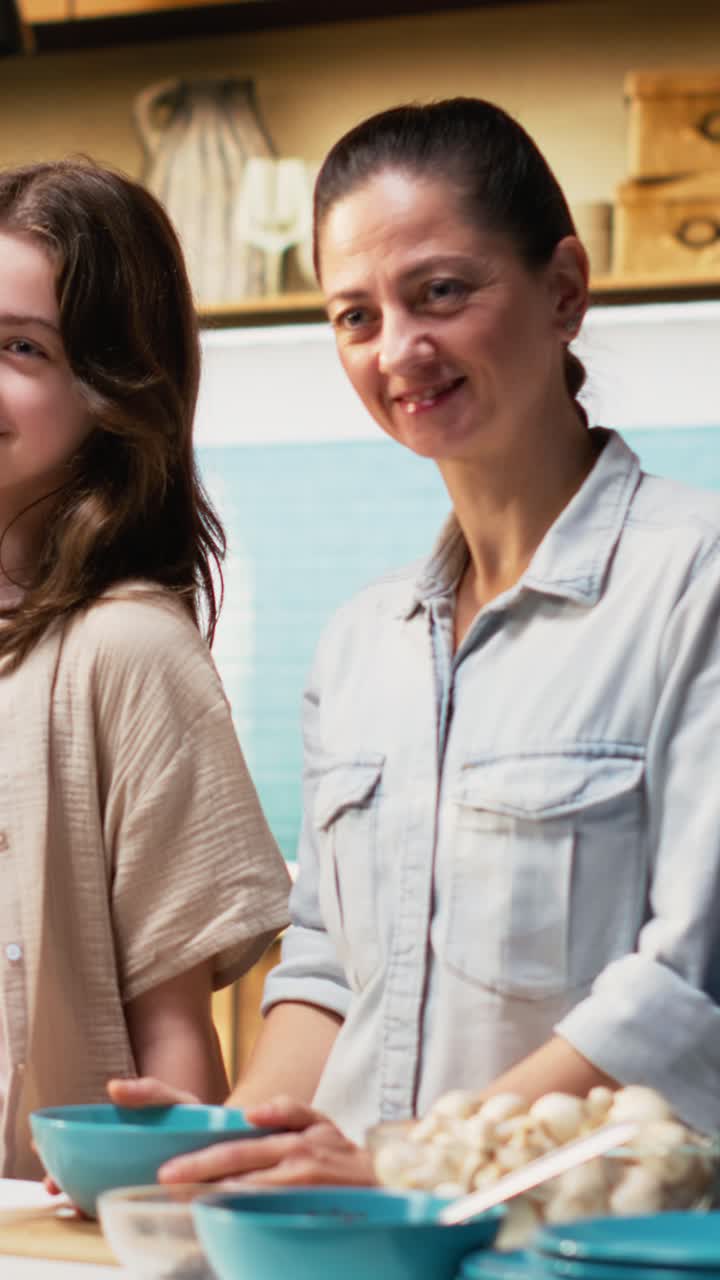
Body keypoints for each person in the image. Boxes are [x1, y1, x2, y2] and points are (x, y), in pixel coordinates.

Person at [116, 97, 720, 1186]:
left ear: (565, 290)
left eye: (441, 291)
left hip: (580, 1244)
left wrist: (408, 1165)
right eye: (356, 315)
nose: (401, 348)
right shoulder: (360, 647)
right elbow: (328, 970)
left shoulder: (694, 581)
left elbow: (690, 982)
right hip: (356, 1241)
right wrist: (234, 1143)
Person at [0, 159, 291, 1178]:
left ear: (114, 389)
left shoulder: (127, 648)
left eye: (21, 348)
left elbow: (172, 1032)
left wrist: (165, 1216)